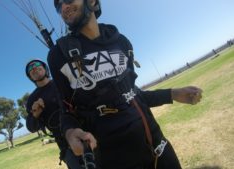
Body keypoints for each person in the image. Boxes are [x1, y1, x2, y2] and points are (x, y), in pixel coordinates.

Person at [47, 0, 203, 169]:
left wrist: (172, 94)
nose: (63, 7)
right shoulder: (58, 55)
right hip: (112, 159)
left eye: (68, 0)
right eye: (58, 5)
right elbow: (66, 110)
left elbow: (132, 94)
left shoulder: (121, 42)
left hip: (157, 147)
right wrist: (70, 132)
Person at [25, 59, 86, 169]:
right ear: (30, 77)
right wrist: (35, 114)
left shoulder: (62, 83)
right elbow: (31, 127)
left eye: (37, 65)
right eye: (30, 69)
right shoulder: (32, 100)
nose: (34, 68)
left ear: (45, 69)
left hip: (85, 132)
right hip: (65, 146)